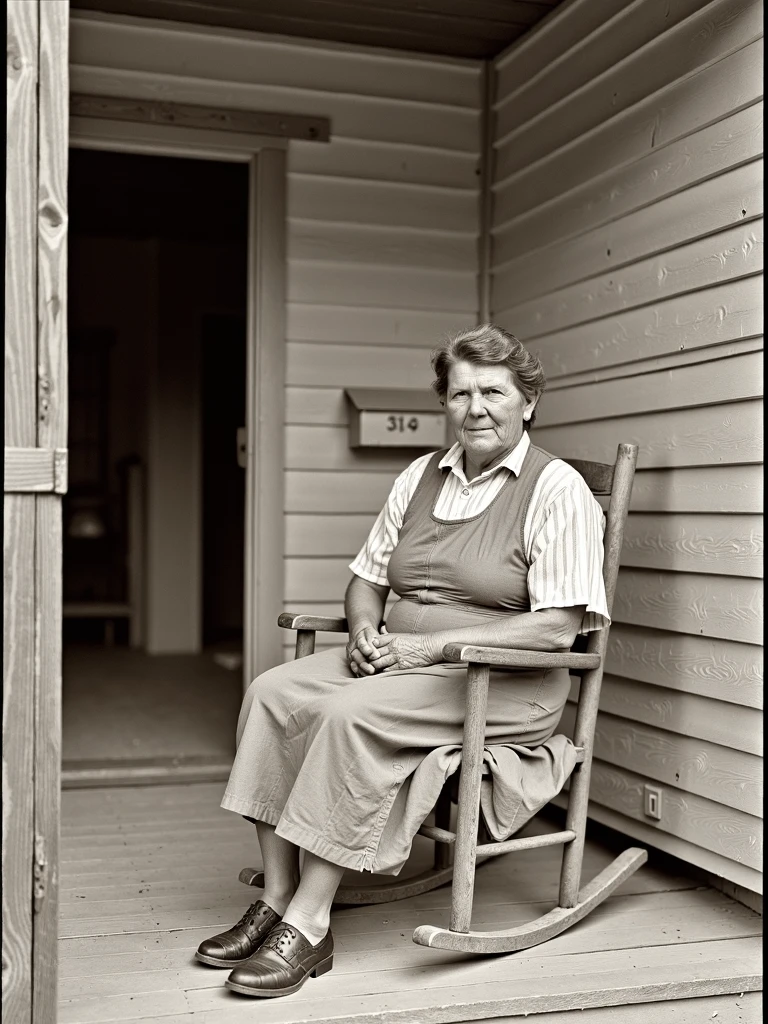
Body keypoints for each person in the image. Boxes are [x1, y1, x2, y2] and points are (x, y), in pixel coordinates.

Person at [196, 323, 609, 998]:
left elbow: (559, 628)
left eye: (494, 392)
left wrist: (432, 647)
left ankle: (310, 922)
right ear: (444, 402)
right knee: (270, 691)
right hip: (401, 661)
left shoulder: (553, 488)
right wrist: (362, 629)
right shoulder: (422, 475)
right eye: (460, 393)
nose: (476, 408)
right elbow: (368, 578)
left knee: (347, 717)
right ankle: (276, 896)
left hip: (498, 678)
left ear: (527, 402)